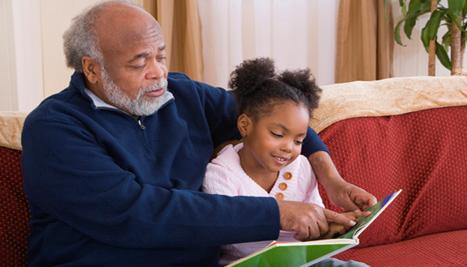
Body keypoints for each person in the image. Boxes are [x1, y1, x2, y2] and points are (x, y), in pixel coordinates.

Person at [21, 1, 376, 266]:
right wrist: (276, 214)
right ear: (92, 69)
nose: (158, 72)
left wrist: (331, 180)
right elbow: (138, 213)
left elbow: (276, 111)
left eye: (161, 55)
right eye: (139, 62)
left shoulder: (182, 93)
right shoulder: (54, 129)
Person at [203, 58, 369, 266]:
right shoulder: (220, 175)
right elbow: (236, 242)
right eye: (278, 134)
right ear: (245, 125)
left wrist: (331, 229)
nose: (289, 147)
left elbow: (313, 220)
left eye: (299, 140)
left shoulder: (301, 166)